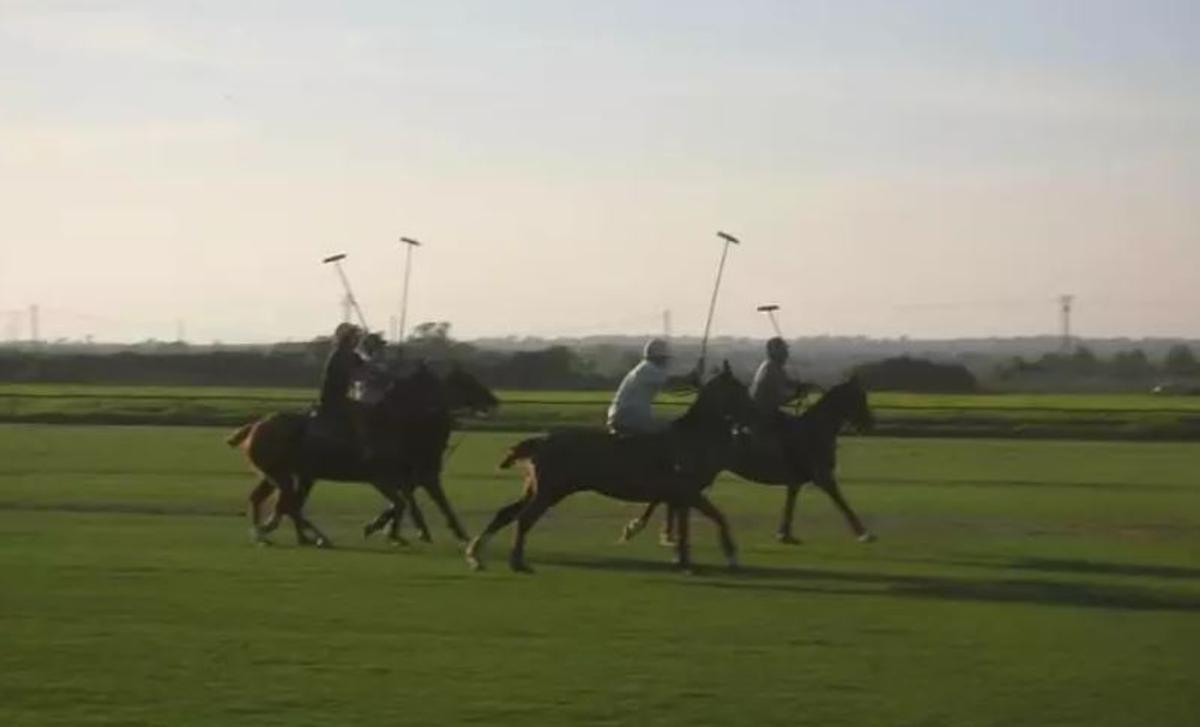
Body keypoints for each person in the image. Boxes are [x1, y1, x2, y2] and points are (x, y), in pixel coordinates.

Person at [606, 338, 697, 435]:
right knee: (669, 430)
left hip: (625, 417)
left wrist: (691, 379)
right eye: (664, 359)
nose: (665, 362)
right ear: (658, 357)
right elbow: (671, 383)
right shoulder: (649, 369)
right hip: (631, 418)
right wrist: (692, 377)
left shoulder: (645, 368)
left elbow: (672, 387)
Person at [316, 322, 365, 452]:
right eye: (355, 338)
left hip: (338, 396)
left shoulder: (348, 354)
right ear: (348, 339)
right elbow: (361, 371)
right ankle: (361, 446)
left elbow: (365, 367)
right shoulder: (342, 355)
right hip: (335, 399)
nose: (357, 341)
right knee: (361, 413)